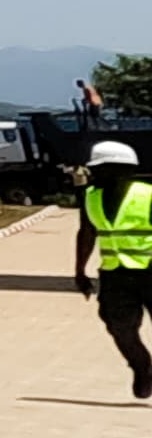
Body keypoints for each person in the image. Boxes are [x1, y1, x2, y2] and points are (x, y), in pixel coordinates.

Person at [79, 140, 152, 400]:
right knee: (119, 326)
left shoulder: (147, 195)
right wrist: (80, 271)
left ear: (122, 169)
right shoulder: (91, 196)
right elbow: (86, 232)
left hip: (150, 270)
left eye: (101, 168)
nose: (94, 173)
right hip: (114, 274)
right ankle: (141, 366)